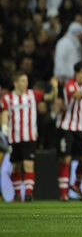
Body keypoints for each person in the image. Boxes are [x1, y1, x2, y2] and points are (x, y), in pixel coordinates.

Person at [1, 72, 58, 202]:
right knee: (15, 166)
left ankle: (28, 193)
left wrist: (54, 87)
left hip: (30, 136)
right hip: (14, 137)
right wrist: (4, 125)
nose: (25, 83)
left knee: (28, 164)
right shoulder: (7, 98)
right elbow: (4, 114)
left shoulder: (33, 95)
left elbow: (50, 97)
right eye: (22, 81)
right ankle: (17, 194)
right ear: (15, 83)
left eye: (26, 81)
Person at [56, 61, 82, 201]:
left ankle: (76, 185)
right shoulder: (70, 84)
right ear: (76, 73)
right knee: (66, 158)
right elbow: (77, 96)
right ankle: (63, 195)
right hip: (67, 127)